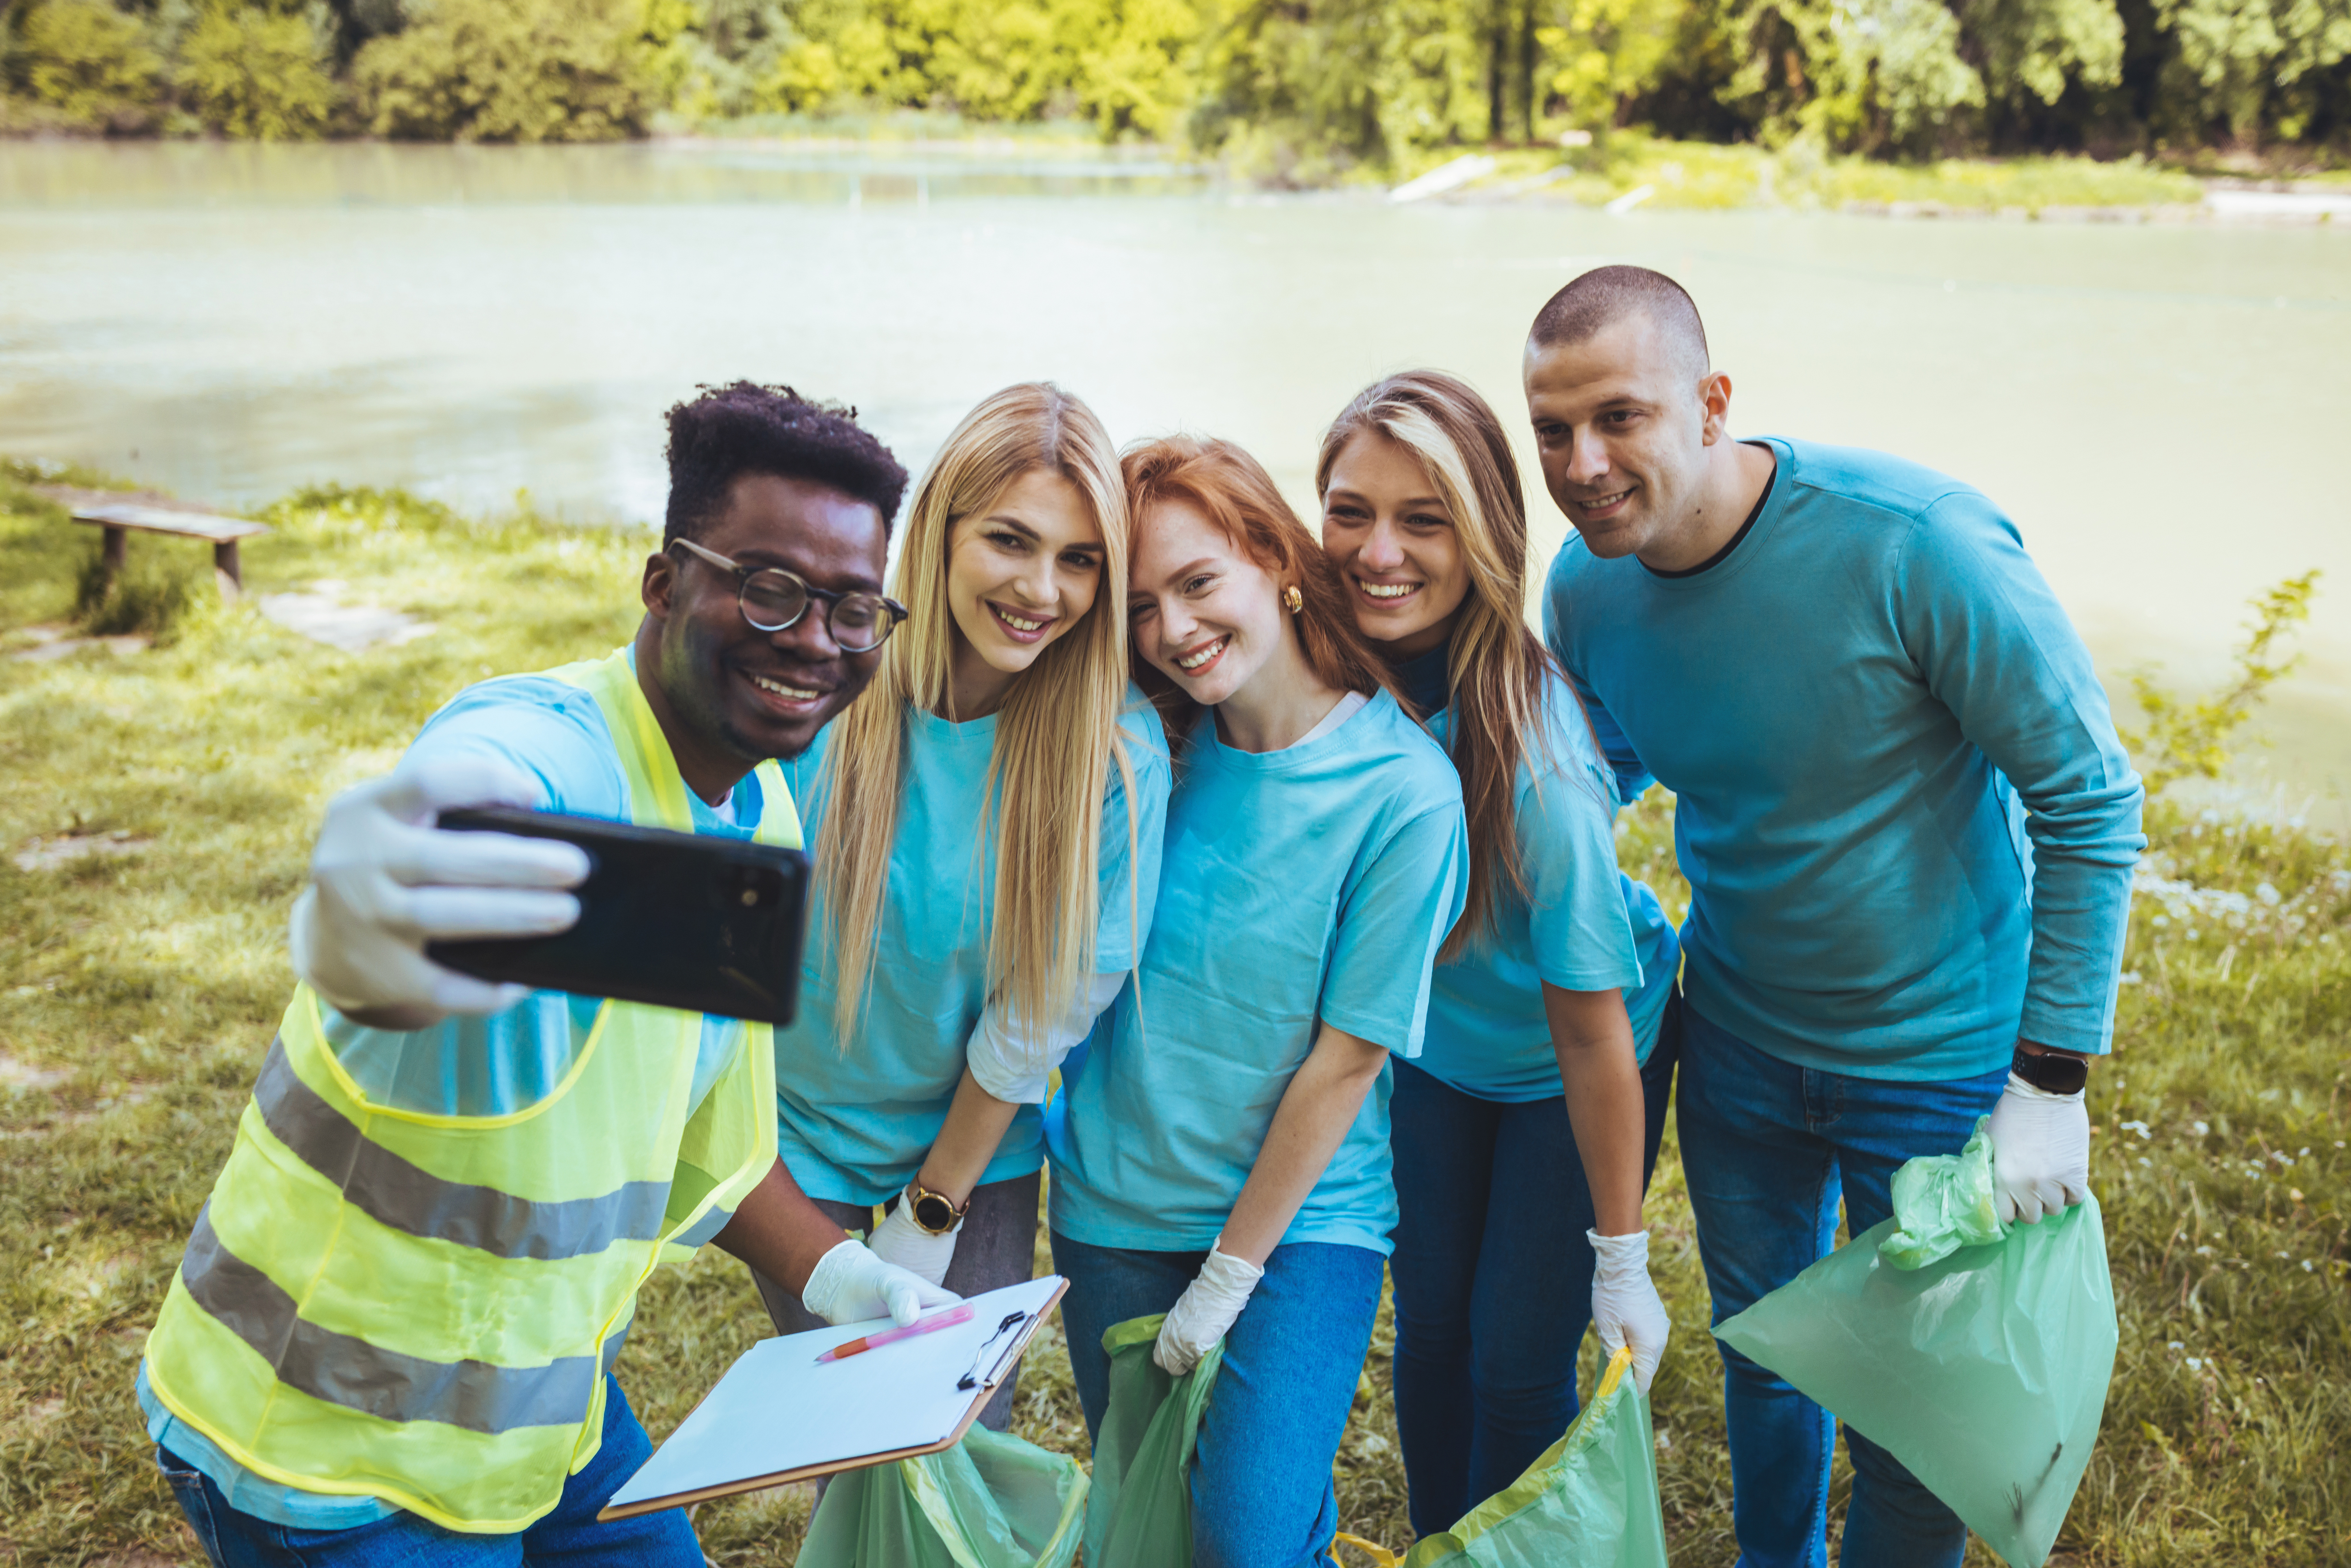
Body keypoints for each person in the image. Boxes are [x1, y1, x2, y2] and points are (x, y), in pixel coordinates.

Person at [136, 383, 960, 1567]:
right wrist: (366, 902)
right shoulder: (545, 752)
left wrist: (845, 1277)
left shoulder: (761, 808)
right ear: (665, 581)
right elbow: (431, 856)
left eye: (850, 608)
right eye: (768, 586)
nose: (813, 638)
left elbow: (696, 1142)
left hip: (546, 1415)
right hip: (330, 1454)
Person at [1529, 267, 2144, 1568]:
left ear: (1710, 402)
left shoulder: (1913, 541)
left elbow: (2087, 799)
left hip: (1941, 1067)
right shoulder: (1587, 588)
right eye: (1550, 430)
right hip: (1741, 1047)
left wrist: (2049, 1079)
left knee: (1915, 1415)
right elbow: (1614, 759)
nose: (1581, 465)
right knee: (1766, 1356)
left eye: (1618, 418)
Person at [1047, 435, 1469, 1568]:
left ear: (1277, 558)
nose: (1173, 630)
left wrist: (1231, 1274)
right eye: (1140, 607)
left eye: (1197, 584)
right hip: (1115, 1206)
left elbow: (1345, 1062)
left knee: (1245, 1539)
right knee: (1151, 1526)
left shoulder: (1404, 792)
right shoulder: (1145, 751)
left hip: (1299, 1229)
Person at [753, 382, 1171, 1433]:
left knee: (953, 1444)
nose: (1042, 589)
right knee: (847, 1437)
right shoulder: (829, 688)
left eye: (1079, 560)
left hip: (967, 1152)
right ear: (940, 532)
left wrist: (931, 1207)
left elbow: (1044, 1009)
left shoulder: (1112, 754)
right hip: (792, 1142)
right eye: (1010, 541)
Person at [1315, 369, 1677, 1537]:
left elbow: (1590, 1029)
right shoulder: (1316, 675)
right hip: (1436, 1039)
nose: (1378, 552)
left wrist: (1618, 1255)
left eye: (1423, 520)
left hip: (1567, 1049)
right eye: (1349, 509)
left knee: (1513, 1357)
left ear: (1483, 537)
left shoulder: (1540, 762)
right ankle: (1442, 1546)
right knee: (1428, 1327)